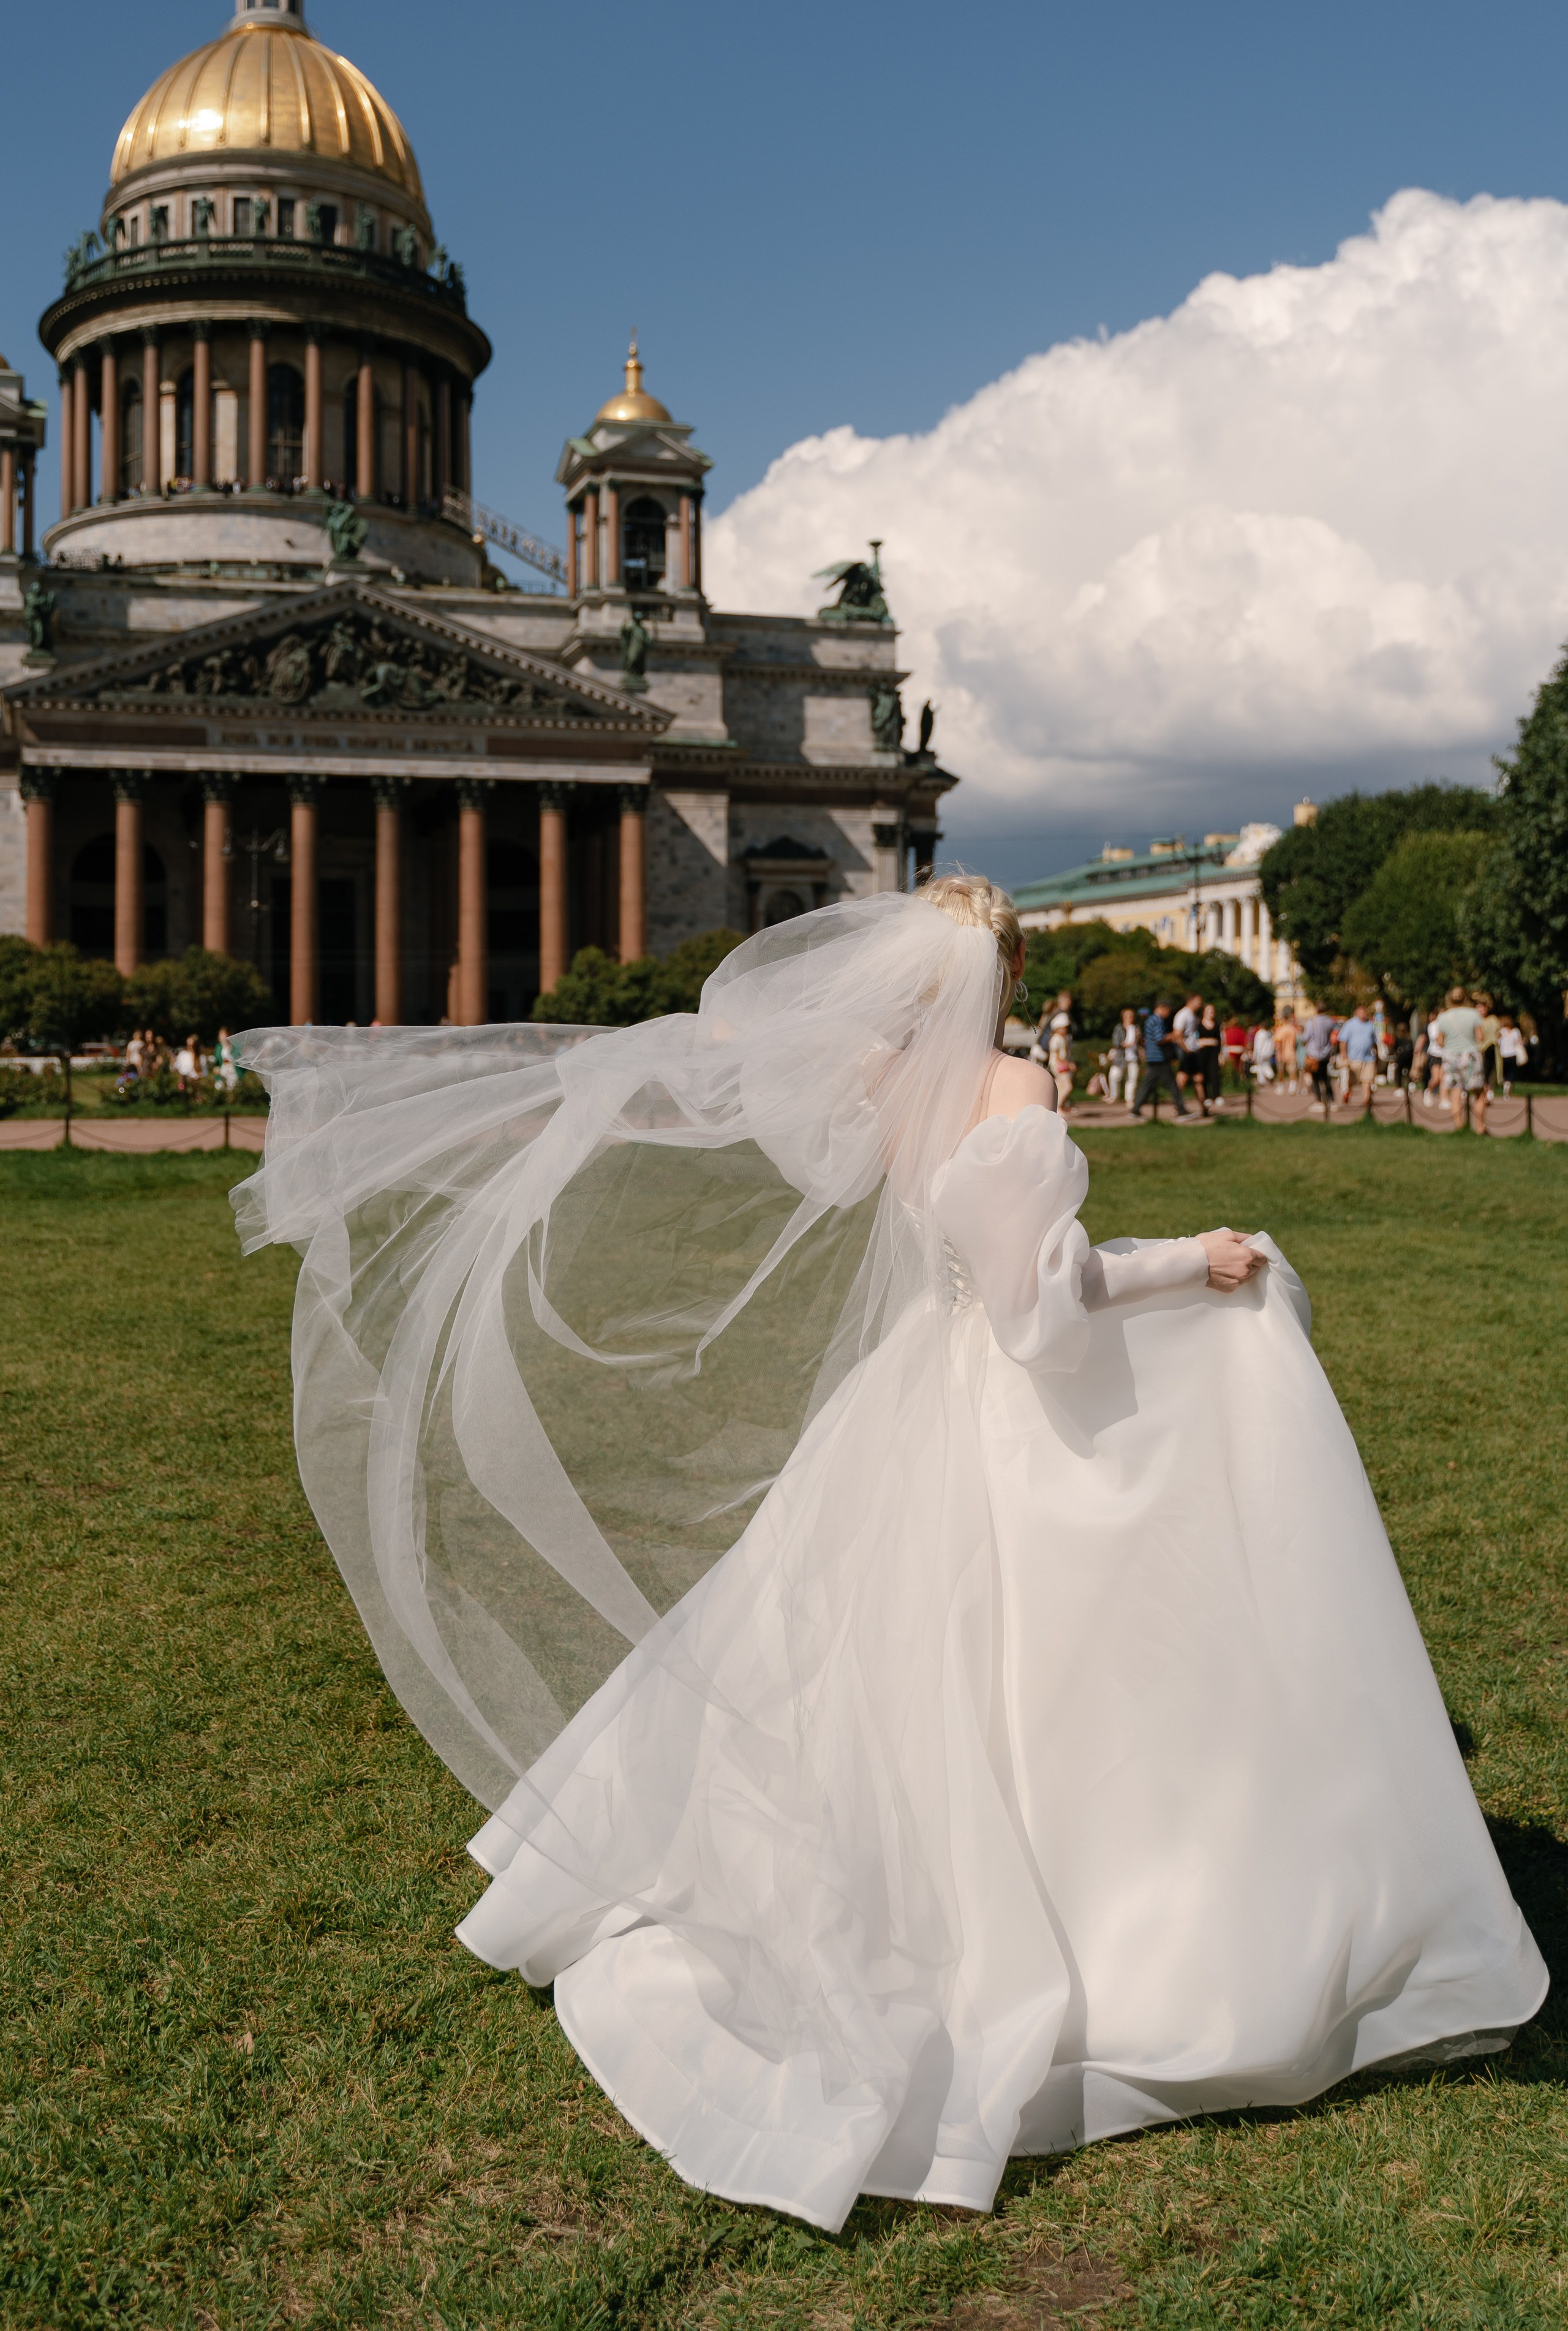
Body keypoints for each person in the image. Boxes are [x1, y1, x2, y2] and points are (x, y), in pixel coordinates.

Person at [231, 880, 1545, 2234]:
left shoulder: (883, 1089)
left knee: (862, 1661)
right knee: (1062, 1659)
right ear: (1006, 969)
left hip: (914, 1390)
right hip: (999, 1407)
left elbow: (971, 1279)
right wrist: (1185, 1262)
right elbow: (1041, 1325)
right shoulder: (1018, 1089)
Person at [1131, 997, 1189, 1118]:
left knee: (1147, 1085)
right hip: (1158, 1057)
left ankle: (1135, 1110)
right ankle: (1181, 1110)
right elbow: (1159, 1038)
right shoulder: (1157, 1020)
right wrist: (1175, 1035)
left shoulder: (1151, 1020)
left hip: (1153, 1057)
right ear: (1162, 1008)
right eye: (1168, 1010)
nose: (1169, 1014)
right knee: (1172, 1084)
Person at [1437, 985, 1485, 1129]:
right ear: (1466, 998)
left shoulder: (1443, 1017)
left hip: (1451, 1057)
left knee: (1456, 1093)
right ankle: (1480, 1127)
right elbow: (1480, 1037)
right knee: (1479, 1093)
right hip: (1470, 1056)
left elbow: (1440, 1041)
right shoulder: (1473, 1014)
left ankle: (1459, 1127)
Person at [1335, 1004, 1378, 1111]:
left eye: (1365, 1012)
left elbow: (1374, 1041)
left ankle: (1366, 1101)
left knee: (1367, 1081)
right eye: (1361, 1012)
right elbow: (1343, 1040)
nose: (1364, 1014)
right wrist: (1344, 1054)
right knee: (1351, 1081)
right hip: (1353, 1059)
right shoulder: (1349, 1024)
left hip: (1368, 1059)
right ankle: (1347, 1092)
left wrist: (1377, 1054)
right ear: (1356, 1013)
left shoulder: (1370, 1025)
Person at [1298, 1007, 1336, 1110]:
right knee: (1325, 1077)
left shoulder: (1313, 1022)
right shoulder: (1330, 1021)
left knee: (1315, 1078)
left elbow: (1305, 1038)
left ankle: (1319, 1102)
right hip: (1326, 1053)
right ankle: (1331, 1100)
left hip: (1314, 1054)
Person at [1106, 1008, 1139, 1107]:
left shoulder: (1136, 1028)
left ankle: (1129, 1099)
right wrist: (1126, 1045)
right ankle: (1114, 1096)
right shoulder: (1119, 1028)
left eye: (1131, 1016)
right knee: (1114, 1075)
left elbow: (1139, 1041)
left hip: (1133, 1057)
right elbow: (1116, 1042)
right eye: (1127, 1016)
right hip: (1120, 1057)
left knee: (1132, 1079)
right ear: (1123, 1018)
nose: (1129, 1018)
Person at [1498, 1015, 1526, 1097]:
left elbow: (1498, 1042)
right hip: (1513, 1054)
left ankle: (1505, 1084)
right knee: (1511, 1072)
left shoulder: (1502, 1032)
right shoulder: (1515, 1032)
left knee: (1505, 1072)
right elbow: (1519, 1042)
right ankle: (1509, 1084)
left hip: (1503, 1055)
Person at [1274, 1011, 1298, 1091]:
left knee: (1281, 1072)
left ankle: (1281, 1087)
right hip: (1291, 1053)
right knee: (1292, 1071)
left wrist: (1279, 1054)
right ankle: (1292, 1087)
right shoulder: (1293, 1029)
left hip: (1282, 1054)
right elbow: (1296, 1042)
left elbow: (1279, 1043)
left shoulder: (1280, 1030)